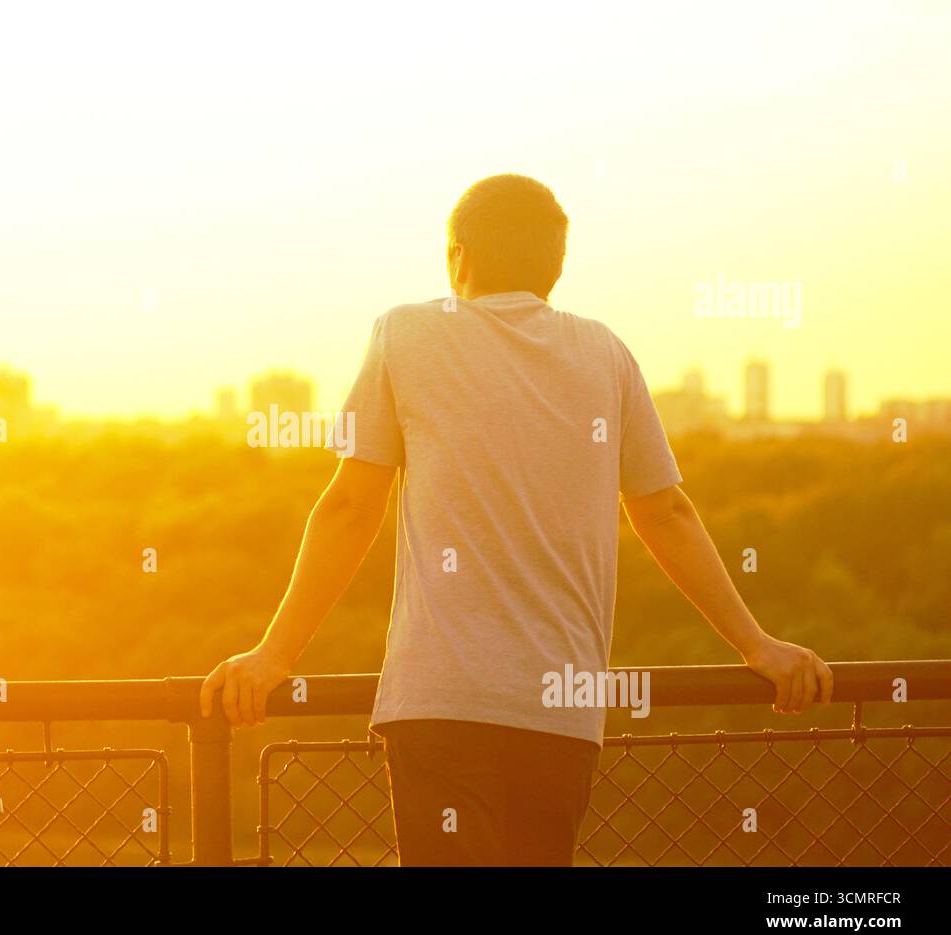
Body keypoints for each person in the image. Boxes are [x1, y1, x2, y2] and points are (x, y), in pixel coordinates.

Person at [199, 173, 833, 866]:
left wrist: (274, 655)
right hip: (560, 716)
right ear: (557, 267)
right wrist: (755, 645)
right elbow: (667, 512)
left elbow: (352, 506)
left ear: (458, 257)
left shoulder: (404, 334)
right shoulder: (606, 353)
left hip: (440, 705)